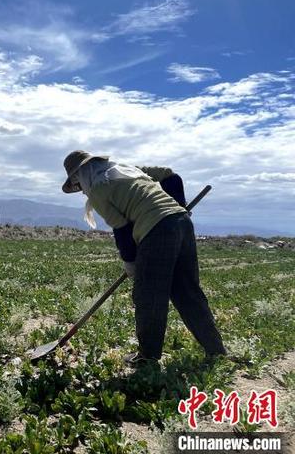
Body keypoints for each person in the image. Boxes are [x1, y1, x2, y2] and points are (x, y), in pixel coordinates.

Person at [61, 150, 227, 367]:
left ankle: (147, 357)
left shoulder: (98, 190)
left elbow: (121, 229)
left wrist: (130, 262)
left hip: (156, 229)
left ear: (80, 176)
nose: (81, 190)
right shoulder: (129, 169)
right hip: (182, 223)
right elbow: (171, 176)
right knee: (187, 291)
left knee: (149, 295)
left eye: (78, 184)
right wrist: (179, 206)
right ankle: (216, 350)